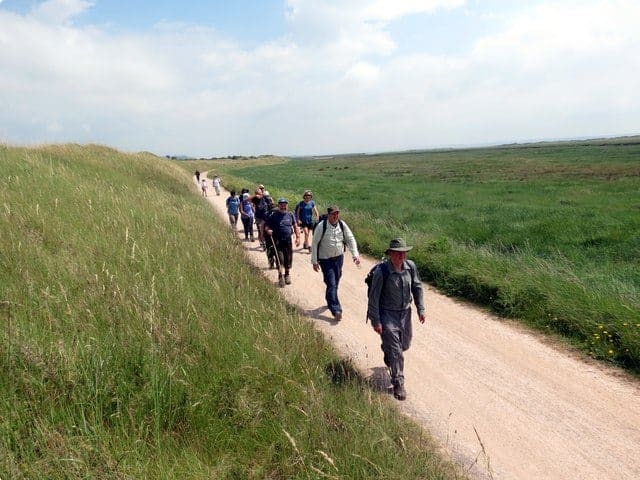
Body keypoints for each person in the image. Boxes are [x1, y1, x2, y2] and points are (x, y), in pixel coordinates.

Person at [367, 238, 426, 401]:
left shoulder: (410, 267)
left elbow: (417, 287)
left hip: (405, 314)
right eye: (398, 253)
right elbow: (373, 298)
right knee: (396, 351)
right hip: (387, 315)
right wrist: (376, 321)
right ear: (391, 254)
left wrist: (420, 308)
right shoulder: (382, 272)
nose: (402, 256)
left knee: (404, 345)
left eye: (404, 253)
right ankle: (398, 383)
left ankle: (388, 352)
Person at [311, 205, 360, 321]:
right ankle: (336, 309)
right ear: (328, 215)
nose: (335, 216)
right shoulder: (321, 226)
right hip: (325, 259)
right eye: (333, 214)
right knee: (332, 282)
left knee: (335, 281)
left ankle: (330, 299)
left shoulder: (342, 225)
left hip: (339, 258)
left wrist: (355, 254)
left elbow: (350, 238)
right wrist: (314, 261)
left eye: (337, 213)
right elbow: (314, 243)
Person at [265, 198, 301, 287]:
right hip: (277, 240)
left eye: (284, 205)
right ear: (278, 205)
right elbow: (267, 226)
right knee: (280, 259)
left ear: (287, 206)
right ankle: (280, 276)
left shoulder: (290, 214)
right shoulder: (274, 215)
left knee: (288, 258)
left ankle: (287, 274)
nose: (283, 206)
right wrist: (268, 230)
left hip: (288, 240)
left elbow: (295, 226)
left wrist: (298, 237)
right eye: (281, 204)